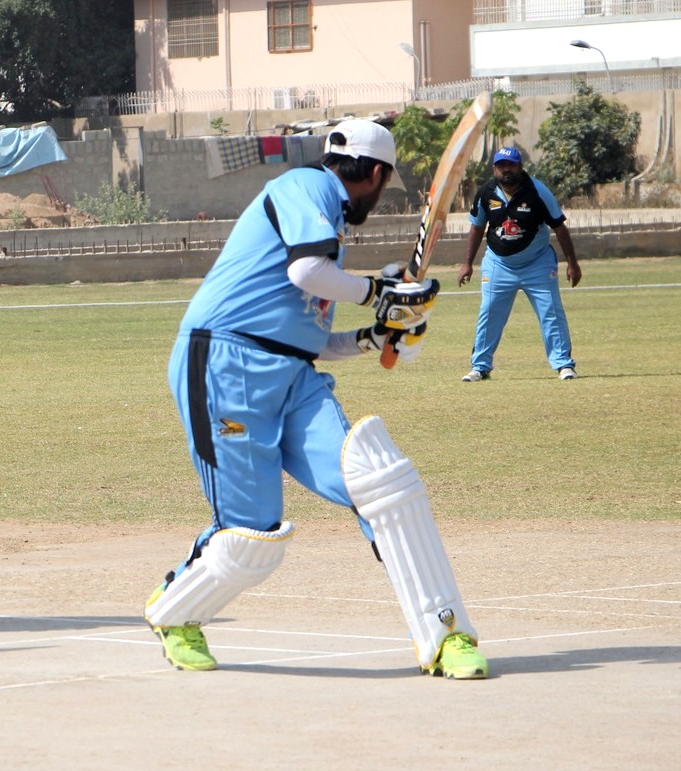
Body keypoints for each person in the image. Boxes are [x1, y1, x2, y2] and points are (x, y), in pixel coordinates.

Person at [142, 119, 488, 679]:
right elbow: (306, 271)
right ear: (374, 173)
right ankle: (176, 612)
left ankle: (446, 635)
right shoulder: (304, 187)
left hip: (292, 375)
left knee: (381, 482)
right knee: (252, 538)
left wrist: (372, 336)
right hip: (226, 365)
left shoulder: (327, 226)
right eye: (384, 184)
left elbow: (307, 336)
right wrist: (379, 293)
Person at [456, 145, 582, 381]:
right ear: (494, 169)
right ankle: (480, 366)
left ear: (520, 166)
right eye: (501, 165)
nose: (507, 169)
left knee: (551, 312)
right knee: (489, 312)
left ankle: (564, 364)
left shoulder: (538, 191)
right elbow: (477, 227)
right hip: (498, 264)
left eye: (511, 165)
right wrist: (467, 264)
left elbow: (559, 227)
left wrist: (572, 263)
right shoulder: (486, 193)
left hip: (538, 263)